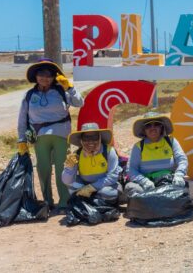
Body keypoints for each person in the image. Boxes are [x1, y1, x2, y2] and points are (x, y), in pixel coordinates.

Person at [16, 59, 83, 213]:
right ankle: (47, 201)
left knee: (63, 168)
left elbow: (79, 103)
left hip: (61, 135)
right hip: (39, 138)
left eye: (48, 75)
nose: (44, 78)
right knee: (43, 168)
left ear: (54, 77)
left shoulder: (61, 91)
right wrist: (21, 140)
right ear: (36, 76)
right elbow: (22, 119)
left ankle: (64, 202)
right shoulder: (29, 95)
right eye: (41, 74)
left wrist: (70, 87)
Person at [125, 112, 188, 198]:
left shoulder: (171, 141)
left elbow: (182, 160)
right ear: (144, 130)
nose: (153, 128)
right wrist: (144, 181)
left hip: (169, 181)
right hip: (148, 185)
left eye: (156, 124)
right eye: (148, 125)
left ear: (161, 127)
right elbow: (131, 169)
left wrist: (179, 174)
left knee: (183, 186)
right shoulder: (138, 147)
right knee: (131, 188)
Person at [62, 122, 121, 204]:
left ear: (100, 138)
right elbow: (67, 181)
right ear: (81, 140)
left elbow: (113, 177)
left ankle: (90, 201)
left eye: (94, 137)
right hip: (84, 185)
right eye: (86, 138)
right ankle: (93, 201)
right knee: (71, 187)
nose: (90, 141)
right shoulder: (77, 154)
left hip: (105, 185)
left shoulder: (109, 151)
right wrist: (69, 168)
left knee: (108, 192)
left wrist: (92, 187)